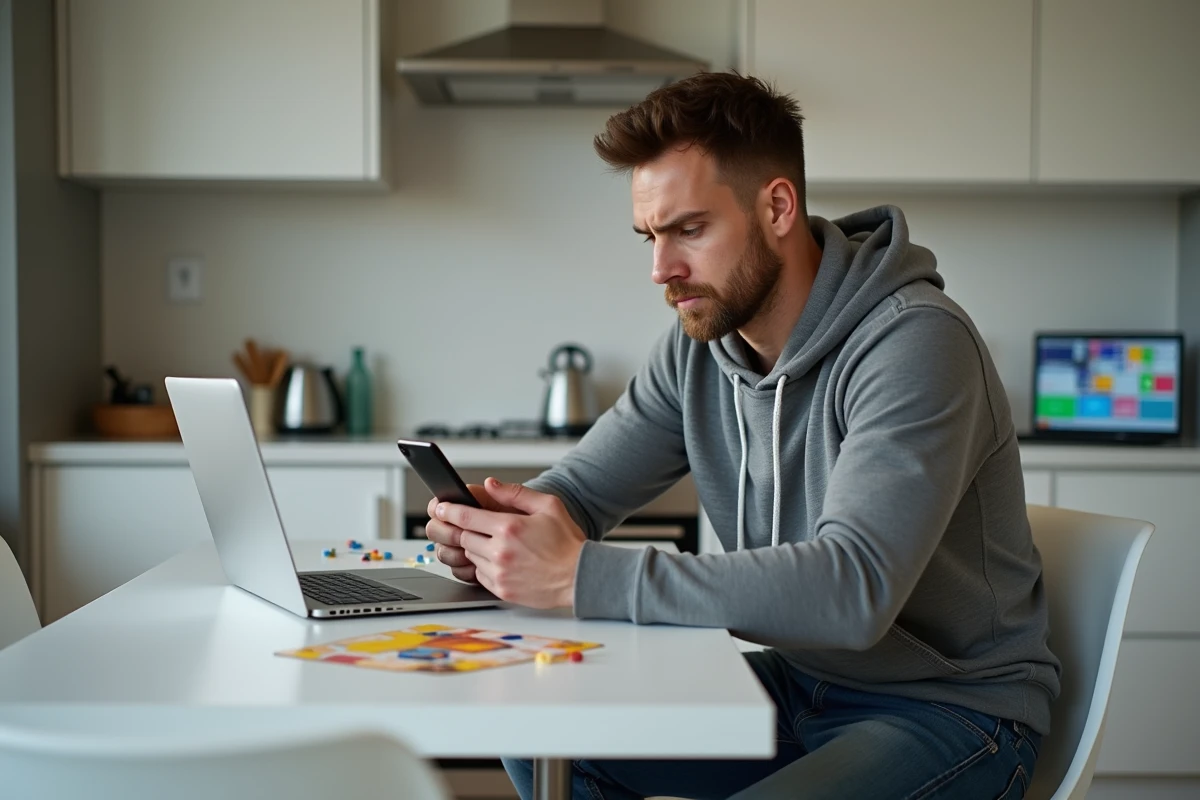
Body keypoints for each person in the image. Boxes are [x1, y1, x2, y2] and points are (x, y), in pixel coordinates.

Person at [424, 72, 1060, 800]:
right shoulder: (699, 347)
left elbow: (855, 588)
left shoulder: (914, 342)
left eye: (689, 230)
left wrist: (578, 575)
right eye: (650, 236)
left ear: (777, 206)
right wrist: (500, 533)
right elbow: (579, 492)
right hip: (801, 683)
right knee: (545, 732)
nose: (661, 270)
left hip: (952, 712)